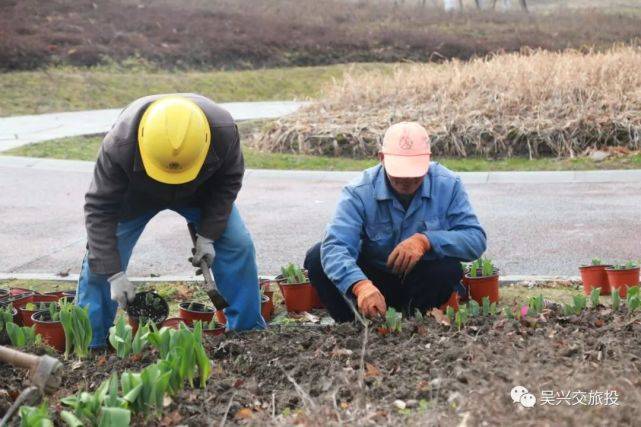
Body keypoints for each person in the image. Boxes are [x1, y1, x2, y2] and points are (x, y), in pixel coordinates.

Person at [78, 93, 265, 348]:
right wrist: (113, 274)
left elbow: (227, 183)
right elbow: (99, 208)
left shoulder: (223, 132)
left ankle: (247, 334)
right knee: (101, 258)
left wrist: (208, 235)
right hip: (135, 195)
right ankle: (91, 343)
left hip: (199, 192)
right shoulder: (120, 144)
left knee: (238, 244)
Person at [304, 122, 487, 321]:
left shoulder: (449, 185)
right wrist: (359, 285)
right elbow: (335, 247)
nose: (407, 180)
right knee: (316, 257)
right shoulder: (358, 192)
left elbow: (475, 239)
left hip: (420, 283)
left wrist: (426, 241)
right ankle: (354, 327)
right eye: (399, 174)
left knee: (447, 268)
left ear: (428, 160)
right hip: (372, 280)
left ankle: (415, 324)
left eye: (415, 174)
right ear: (381, 158)